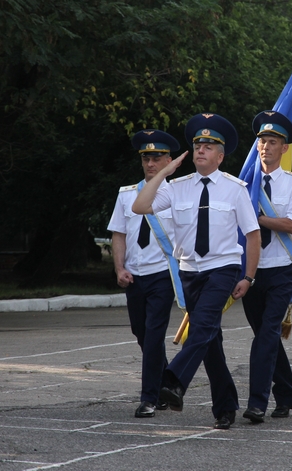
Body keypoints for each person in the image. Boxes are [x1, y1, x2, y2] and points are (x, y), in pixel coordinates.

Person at [132, 113, 261, 430]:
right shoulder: (177, 187)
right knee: (210, 342)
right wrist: (164, 171)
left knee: (201, 327)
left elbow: (252, 235)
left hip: (223, 268)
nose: (201, 149)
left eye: (209, 145)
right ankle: (226, 406)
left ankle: (174, 380)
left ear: (220, 154)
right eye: (197, 144)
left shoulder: (234, 189)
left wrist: (248, 276)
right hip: (190, 271)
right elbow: (140, 206)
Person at [108, 129, 182, 418]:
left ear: (169, 161)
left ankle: (149, 398)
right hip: (135, 277)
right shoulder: (127, 195)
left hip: (162, 275)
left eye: (157, 158)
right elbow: (119, 234)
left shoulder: (177, 194)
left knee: (153, 336)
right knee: (140, 332)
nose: (151, 164)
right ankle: (165, 381)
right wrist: (119, 268)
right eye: (146, 159)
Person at [241, 111, 292, 424]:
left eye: (273, 141)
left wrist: (256, 217)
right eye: (262, 141)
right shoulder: (243, 184)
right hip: (251, 270)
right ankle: (287, 393)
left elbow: (291, 224)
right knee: (264, 335)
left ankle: (257, 403)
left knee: (267, 333)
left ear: (284, 148)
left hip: (281, 269)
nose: (266, 146)